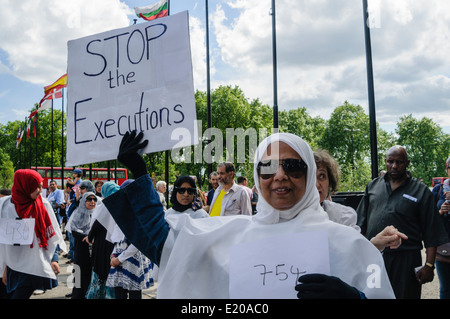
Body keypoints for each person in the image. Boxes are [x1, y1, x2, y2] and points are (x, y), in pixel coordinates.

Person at [102, 130, 395, 298]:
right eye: (267, 167)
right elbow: (166, 246)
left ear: (310, 175)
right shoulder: (232, 234)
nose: (279, 176)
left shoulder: (350, 245)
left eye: (292, 166)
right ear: (256, 177)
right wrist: (139, 173)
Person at [357, 145, 448, 299]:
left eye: (399, 162)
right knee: (372, 296)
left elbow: (432, 231)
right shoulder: (373, 186)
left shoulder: (420, 191)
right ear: (385, 162)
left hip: (406, 260)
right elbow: (359, 224)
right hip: (375, 257)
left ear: (407, 163)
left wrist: (429, 266)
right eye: (390, 161)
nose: (394, 166)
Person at [314, 149, 407, 250]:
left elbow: (355, 253)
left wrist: (375, 243)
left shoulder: (341, 217)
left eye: (322, 176)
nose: (316, 184)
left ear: (330, 181)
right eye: (310, 176)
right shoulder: (373, 186)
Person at [0, 169, 66, 299]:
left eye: (41, 186)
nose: (41, 191)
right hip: (9, 266)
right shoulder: (4, 205)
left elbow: (52, 234)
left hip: (32, 264)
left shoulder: (43, 205)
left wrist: (54, 259)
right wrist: (5, 266)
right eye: (37, 186)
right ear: (24, 185)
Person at [106, 180, 154, 299]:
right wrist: (113, 255)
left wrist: (119, 259)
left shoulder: (142, 212)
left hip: (133, 259)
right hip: (119, 259)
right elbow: (117, 238)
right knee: (119, 293)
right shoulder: (122, 210)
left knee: (134, 294)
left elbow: (139, 242)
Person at [84, 182, 116, 299]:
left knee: (100, 274)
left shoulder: (106, 204)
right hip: (114, 244)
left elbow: (96, 224)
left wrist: (90, 238)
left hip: (102, 244)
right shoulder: (119, 203)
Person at [65, 192, 99, 299]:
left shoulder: (98, 213)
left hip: (94, 249)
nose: (92, 202)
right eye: (89, 199)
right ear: (84, 201)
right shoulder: (78, 213)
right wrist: (87, 238)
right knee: (79, 275)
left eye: (94, 199)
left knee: (91, 274)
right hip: (81, 249)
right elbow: (74, 231)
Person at [434, 157, 450, 299]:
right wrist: (440, 211)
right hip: (443, 246)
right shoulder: (438, 190)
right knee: (445, 288)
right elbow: (429, 218)